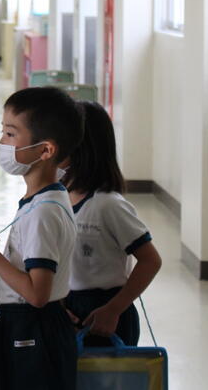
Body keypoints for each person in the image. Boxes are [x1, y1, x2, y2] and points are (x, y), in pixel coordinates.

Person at [0, 87, 83, 390]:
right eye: (2, 132)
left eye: (10, 134)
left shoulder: (43, 212)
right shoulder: (46, 198)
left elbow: (37, 294)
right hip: (31, 325)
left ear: (46, 150)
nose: (1, 143)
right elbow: (32, 262)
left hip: (34, 328)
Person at [62, 100, 162, 347]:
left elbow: (150, 260)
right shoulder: (60, 198)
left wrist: (114, 308)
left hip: (107, 311)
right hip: (68, 306)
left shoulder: (108, 205)